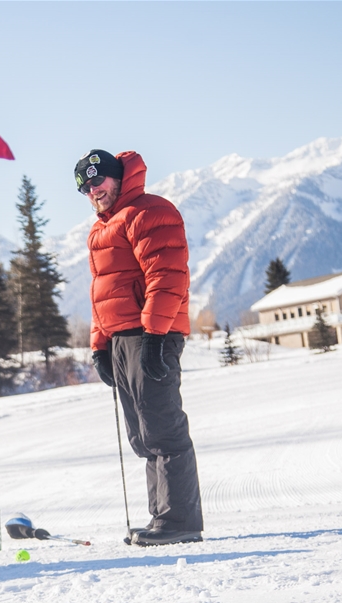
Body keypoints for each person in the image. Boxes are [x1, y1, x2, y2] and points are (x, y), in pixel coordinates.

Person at [77, 149, 204, 546]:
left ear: (119, 177)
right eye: (85, 185)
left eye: (99, 180)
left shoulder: (149, 212)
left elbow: (167, 277)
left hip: (152, 335)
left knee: (163, 428)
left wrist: (155, 336)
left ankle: (180, 521)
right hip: (121, 339)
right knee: (143, 435)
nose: (93, 190)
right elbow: (103, 293)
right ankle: (161, 518)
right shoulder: (101, 229)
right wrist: (99, 345)